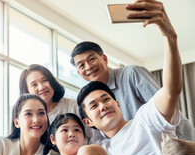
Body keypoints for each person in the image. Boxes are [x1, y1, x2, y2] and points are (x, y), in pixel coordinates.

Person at [48, 1, 181, 155]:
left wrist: (169, 37)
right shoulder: (101, 149)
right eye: (94, 105)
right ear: (88, 121)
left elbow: (171, 91)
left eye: (106, 99)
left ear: (117, 104)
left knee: (88, 153)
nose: (103, 105)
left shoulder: (145, 120)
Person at [69, 6, 195, 142]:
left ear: (104, 59)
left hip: (176, 140)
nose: (88, 67)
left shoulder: (132, 74)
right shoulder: (92, 101)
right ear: (79, 73)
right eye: (81, 65)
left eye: (92, 59)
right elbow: (100, 138)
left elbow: (165, 106)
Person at [19, 64, 102, 144]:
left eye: (44, 80)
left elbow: (95, 136)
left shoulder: (74, 105)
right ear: (27, 91)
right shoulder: (28, 119)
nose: (41, 87)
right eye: (34, 85)